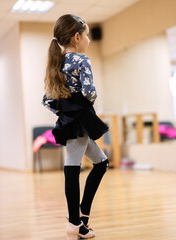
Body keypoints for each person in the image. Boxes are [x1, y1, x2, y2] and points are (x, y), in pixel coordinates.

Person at [42, 14, 109, 239]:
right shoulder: (82, 60)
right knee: (73, 167)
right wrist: (79, 107)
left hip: (70, 121)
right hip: (80, 121)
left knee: (101, 163)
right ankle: (74, 222)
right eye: (87, 35)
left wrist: (66, 110)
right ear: (77, 37)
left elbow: (47, 100)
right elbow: (90, 93)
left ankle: (82, 215)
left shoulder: (57, 62)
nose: (89, 40)